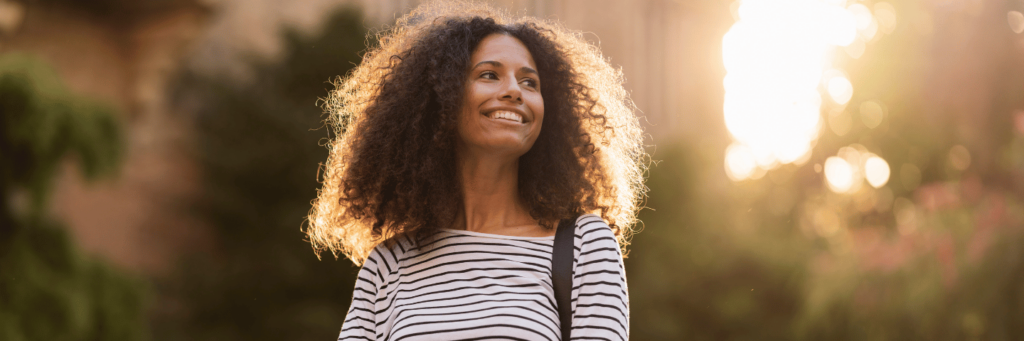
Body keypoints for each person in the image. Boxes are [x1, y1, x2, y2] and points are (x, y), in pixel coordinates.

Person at [306, 1, 646, 340]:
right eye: (489, 75)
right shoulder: (389, 263)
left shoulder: (584, 245)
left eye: (530, 82)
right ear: (442, 99)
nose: (514, 90)